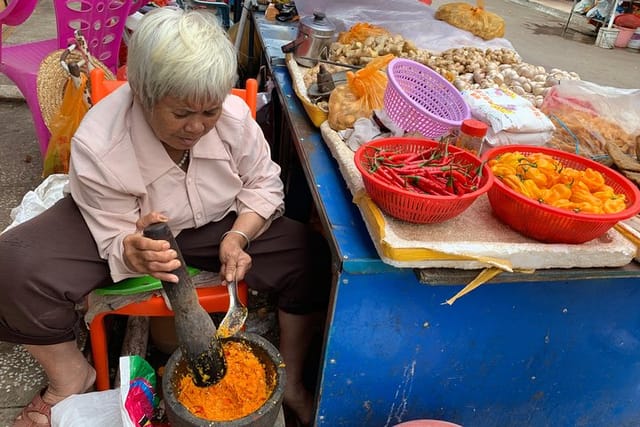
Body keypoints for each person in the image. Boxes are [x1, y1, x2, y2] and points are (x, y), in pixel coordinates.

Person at [0, 7, 330, 427]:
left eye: (208, 112)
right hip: (129, 226)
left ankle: (295, 384)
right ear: (142, 92)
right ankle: (71, 377)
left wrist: (239, 237)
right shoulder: (100, 141)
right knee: (13, 265)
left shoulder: (231, 116)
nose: (197, 127)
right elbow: (113, 227)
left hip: (217, 222)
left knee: (309, 257)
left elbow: (262, 184)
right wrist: (132, 252)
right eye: (181, 114)